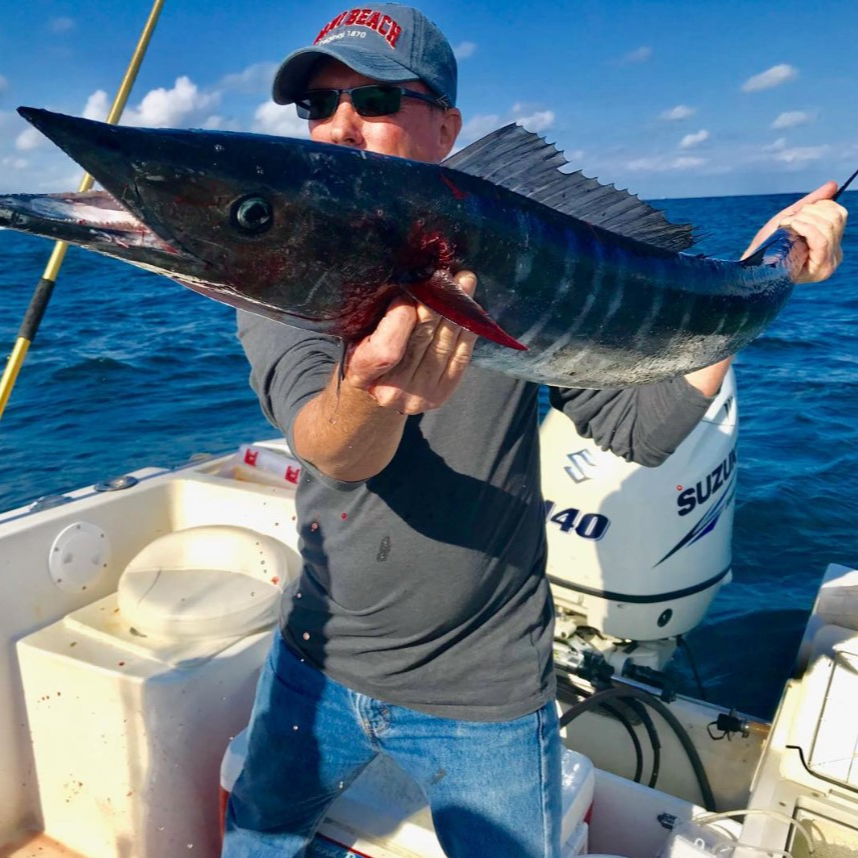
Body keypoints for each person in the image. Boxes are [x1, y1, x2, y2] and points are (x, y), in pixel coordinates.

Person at [224, 5, 848, 857]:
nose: (338, 126)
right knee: (256, 840)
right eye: (317, 105)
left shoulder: (510, 255)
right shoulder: (292, 271)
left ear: (445, 125)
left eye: (373, 99)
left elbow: (639, 428)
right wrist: (375, 392)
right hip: (317, 660)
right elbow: (333, 443)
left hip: (492, 691)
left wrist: (766, 275)